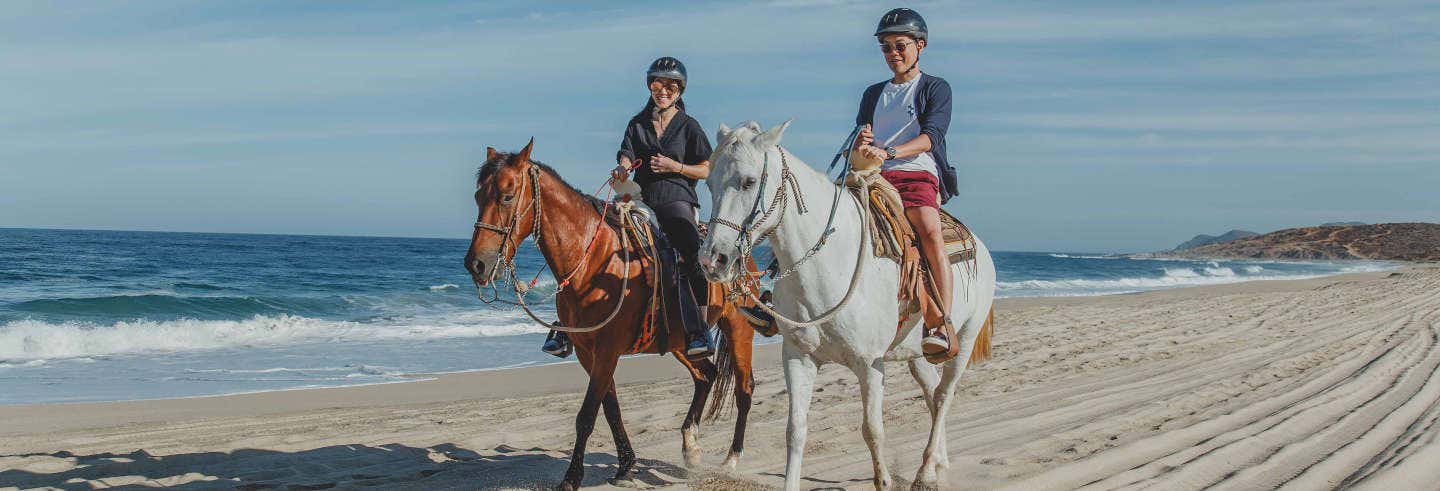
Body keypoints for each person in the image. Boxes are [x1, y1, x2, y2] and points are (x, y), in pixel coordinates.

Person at [543, 56, 715, 359]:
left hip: (676, 198)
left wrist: (675, 166)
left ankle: (699, 328)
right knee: (596, 242)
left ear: (680, 90)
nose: (663, 90)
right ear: (650, 86)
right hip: (640, 199)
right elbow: (626, 153)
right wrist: (622, 170)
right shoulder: (637, 123)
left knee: (689, 252)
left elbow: (706, 169)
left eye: (671, 86)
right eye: (658, 84)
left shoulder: (689, 127)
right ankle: (566, 326)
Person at [852, 8, 961, 362]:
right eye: (886, 48)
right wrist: (863, 141)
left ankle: (941, 323)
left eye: (900, 46)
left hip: (915, 170)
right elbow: (860, 136)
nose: (893, 54)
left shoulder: (934, 87)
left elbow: (932, 137)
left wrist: (890, 150)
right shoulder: (873, 93)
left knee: (929, 231)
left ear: (920, 45)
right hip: (875, 174)